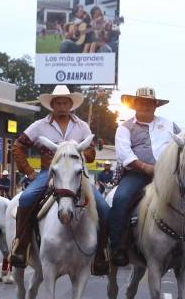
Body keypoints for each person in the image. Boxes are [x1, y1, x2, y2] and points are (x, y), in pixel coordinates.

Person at [10, 84, 111, 273]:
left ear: (71, 105)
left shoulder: (82, 126)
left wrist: (85, 153)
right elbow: (18, 146)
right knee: (26, 199)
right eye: (58, 103)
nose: (62, 106)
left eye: (66, 102)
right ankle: (21, 246)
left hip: (76, 176)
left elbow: (90, 152)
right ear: (52, 105)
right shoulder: (39, 125)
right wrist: (29, 171)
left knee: (104, 208)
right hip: (49, 173)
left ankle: (101, 254)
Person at [108, 86, 183, 266]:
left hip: (168, 176)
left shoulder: (169, 124)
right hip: (137, 175)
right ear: (134, 104)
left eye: (149, 102)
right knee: (120, 199)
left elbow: (184, 143)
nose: (145, 105)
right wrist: (146, 167)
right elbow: (124, 153)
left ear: (155, 105)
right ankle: (118, 247)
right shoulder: (125, 127)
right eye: (141, 102)